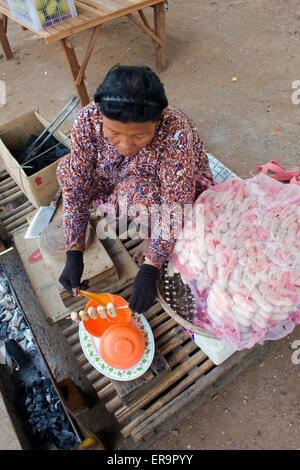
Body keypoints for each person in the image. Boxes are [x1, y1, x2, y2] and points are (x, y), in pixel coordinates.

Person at [57, 65, 214, 313]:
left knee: (138, 193)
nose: (125, 145)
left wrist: (151, 268)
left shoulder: (176, 133)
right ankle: (128, 214)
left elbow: (175, 206)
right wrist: (73, 251)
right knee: (68, 172)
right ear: (100, 114)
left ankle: (151, 235)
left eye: (138, 135)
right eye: (114, 132)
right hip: (117, 173)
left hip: (160, 186)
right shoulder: (88, 120)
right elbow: (77, 186)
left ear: (160, 116)